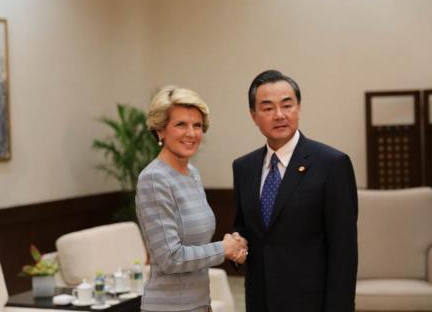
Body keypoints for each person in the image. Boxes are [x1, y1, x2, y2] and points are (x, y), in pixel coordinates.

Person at [232, 70, 358, 312]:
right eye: (267, 108)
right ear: (253, 116)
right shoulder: (243, 167)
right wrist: (237, 242)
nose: (279, 115)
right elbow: (243, 228)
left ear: (298, 108)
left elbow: (344, 251)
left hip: (311, 302)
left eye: (287, 105)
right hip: (260, 300)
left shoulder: (332, 164)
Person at [135, 85, 247, 312]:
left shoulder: (192, 173)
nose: (192, 133)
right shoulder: (154, 179)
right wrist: (224, 249)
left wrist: (234, 245)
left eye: (197, 125)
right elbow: (170, 258)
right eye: (181, 124)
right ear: (160, 131)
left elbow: (197, 245)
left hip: (199, 304)